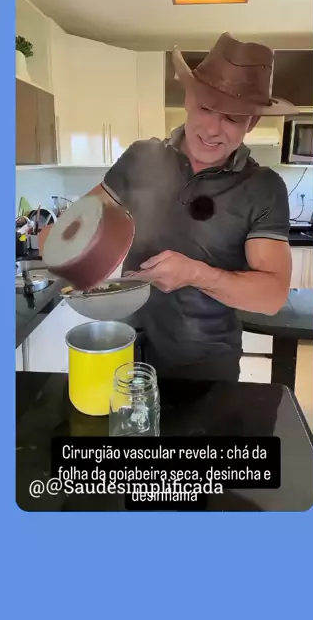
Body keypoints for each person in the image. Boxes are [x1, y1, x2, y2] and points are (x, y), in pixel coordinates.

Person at [92, 33, 294, 382]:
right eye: (206, 108)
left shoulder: (264, 188)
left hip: (206, 370)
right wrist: (66, 246)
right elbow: (84, 223)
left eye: (232, 118)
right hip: (124, 352)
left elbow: (272, 296)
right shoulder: (141, 157)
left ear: (252, 122)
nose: (213, 129)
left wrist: (196, 274)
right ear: (188, 98)